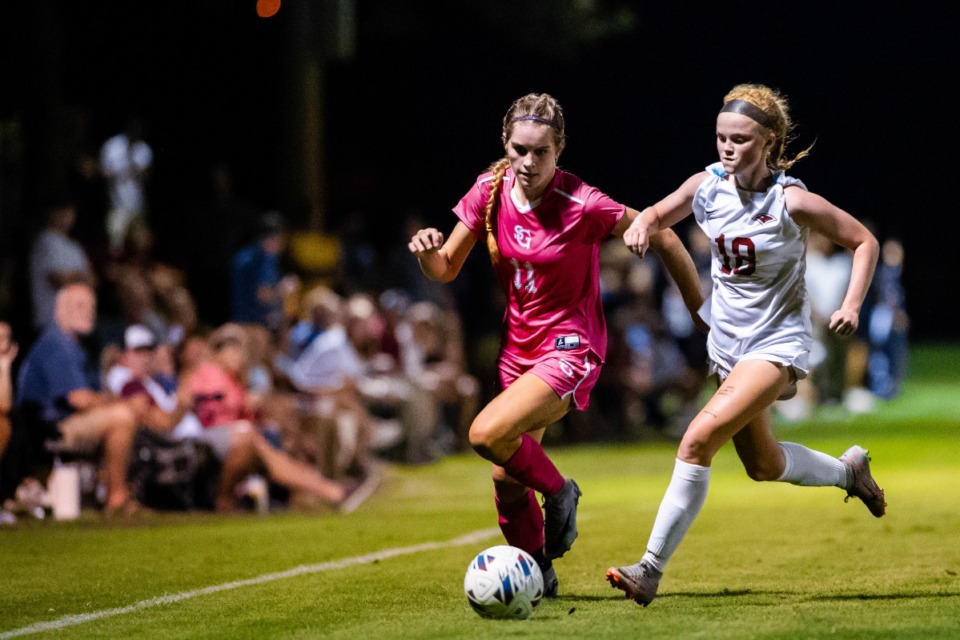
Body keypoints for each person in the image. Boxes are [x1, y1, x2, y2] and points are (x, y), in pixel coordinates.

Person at [408, 93, 705, 598]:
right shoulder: (489, 190)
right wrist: (426, 254)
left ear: (559, 149)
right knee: (505, 479)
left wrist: (703, 317)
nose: (528, 162)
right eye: (519, 150)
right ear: (505, 145)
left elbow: (666, 237)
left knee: (484, 434)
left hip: (570, 347)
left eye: (540, 152)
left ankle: (561, 491)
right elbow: (446, 268)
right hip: (517, 352)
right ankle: (539, 574)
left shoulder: (583, 203)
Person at [605, 83, 885, 607]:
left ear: (769, 142)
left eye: (740, 139)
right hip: (727, 345)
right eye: (720, 138)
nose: (727, 148)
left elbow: (863, 241)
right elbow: (655, 214)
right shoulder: (706, 186)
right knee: (764, 464)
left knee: (695, 441)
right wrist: (642, 225)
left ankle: (649, 569)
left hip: (777, 345)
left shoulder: (791, 200)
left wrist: (850, 305)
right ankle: (849, 472)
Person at [14, 283, 140, 515]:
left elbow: (92, 397)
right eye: (80, 305)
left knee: (125, 414)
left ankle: (113, 494)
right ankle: (117, 498)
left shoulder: (79, 346)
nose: (89, 312)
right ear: (59, 310)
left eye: (92, 306)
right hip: (46, 429)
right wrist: (119, 404)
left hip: (62, 425)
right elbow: (78, 400)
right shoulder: (56, 343)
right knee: (122, 416)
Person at [29, 199, 96, 331]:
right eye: (60, 210)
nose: (65, 215)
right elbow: (59, 280)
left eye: (68, 210)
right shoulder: (45, 241)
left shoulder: (75, 247)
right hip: (49, 321)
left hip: (76, 323)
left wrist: (73, 277)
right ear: (50, 213)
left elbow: (93, 282)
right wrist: (81, 276)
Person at [231, 211, 299, 328]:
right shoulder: (256, 258)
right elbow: (262, 295)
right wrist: (282, 289)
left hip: (259, 320)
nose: (282, 244)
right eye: (280, 238)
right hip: (251, 324)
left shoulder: (264, 256)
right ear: (269, 238)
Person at [100, 117, 153, 253]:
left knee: (140, 246)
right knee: (116, 246)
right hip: (116, 205)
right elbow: (103, 173)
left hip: (137, 206)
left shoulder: (144, 149)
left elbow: (146, 176)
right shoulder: (112, 146)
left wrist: (135, 171)